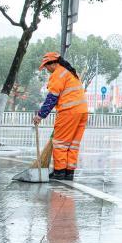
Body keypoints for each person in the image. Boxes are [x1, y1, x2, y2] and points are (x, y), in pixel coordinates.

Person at [32, 52, 88, 181]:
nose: (46, 69)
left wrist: (40, 115)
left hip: (69, 112)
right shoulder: (71, 73)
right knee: (73, 144)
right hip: (82, 112)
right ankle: (69, 173)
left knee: (60, 143)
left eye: (46, 66)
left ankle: (59, 172)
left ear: (53, 63)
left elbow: (52, 97)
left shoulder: (58, 74)